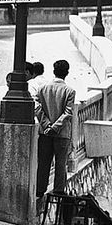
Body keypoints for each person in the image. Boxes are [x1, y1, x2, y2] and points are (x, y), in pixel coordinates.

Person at [35, 59, 76, 199]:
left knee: (43, 162)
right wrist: (55, 127)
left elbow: (37, 108)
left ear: (53, 71)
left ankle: (40, 190)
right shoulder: (69, 91)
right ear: (67, 73)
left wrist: (47, 125)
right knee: (61, 163)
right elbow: (68, 113)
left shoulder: (42, 89)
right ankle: (59, 191)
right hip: (62, 134)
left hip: (45, 133)